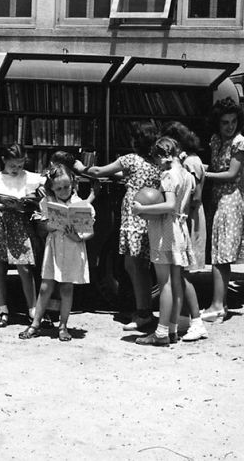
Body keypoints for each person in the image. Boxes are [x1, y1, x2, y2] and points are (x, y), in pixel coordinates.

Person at [74, 121, 161, 331]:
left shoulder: (130, 159)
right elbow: (123, 174)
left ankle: (144, 313)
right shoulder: (154, 162)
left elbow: (96, 171)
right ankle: (144, 309)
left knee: (134, 265)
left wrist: (79, 166)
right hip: (148, 217)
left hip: (134, 217)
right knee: (138, 266)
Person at [132, 137, 202, 345]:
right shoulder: (188, 175)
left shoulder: (168, 176)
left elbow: (170, 205)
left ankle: (161, 332)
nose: (156, 165)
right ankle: (172, 329)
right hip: (180, 228)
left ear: (164, 156)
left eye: (157, 160)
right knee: (176, 281)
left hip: (165, 231)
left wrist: (142, 209)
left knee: (165, 284)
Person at [19, 164, 94, 341]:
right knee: (45, 287)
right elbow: (42, 227)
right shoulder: (47, 203)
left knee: (66, 288)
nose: (63, 191)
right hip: (53, 249)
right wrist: (50, 225)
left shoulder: (81, 205)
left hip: (72, 249)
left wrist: (78, 237)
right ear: (51, 188)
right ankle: (35, 323)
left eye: (66, 187)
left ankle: (63, 325)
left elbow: (90, 231)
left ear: (73, 184)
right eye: (58, 188)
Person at [0, 143, 44, 328]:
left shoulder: (30, 178)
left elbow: (44, 189)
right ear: (3, 160)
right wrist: (2, 205)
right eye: (13, 165)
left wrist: (32, 199)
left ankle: (32, 310)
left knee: (24, 268)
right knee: (0, 269)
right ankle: (3, 309)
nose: (17, 169)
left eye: (20, 165)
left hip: (20, 226)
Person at [202, 97, 244, 322]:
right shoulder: (215, 140)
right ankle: (219, 304)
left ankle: (217, 306)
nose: (230, 126)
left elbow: (232, 174)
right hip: (218, 200)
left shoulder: (240, 142)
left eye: (233, 121)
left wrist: (205, 175)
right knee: (218, 255)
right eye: (225, 122)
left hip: (231, 201)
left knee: (221, 256)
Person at [161, 122, 209, 342]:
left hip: (186, 217)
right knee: (179, 274)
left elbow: (195, 195)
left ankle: (197, 321)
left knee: (184, 273)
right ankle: (181, 318)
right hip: (183, 217)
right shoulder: (189, 161)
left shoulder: (189, 162)